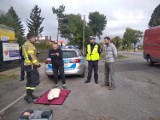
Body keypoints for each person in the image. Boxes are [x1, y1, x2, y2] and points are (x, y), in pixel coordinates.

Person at [22, 33, 41, 103]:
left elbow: (28, 54)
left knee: (29, 81)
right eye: (34, 38)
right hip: (32, 65)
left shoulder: (25, 44)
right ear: (31, 38)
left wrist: (36, 53)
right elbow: (31, 56)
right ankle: (28, 96)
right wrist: (37, 64)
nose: (35, 39)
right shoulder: (29, 45)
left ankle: (30, 95)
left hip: (27, 65)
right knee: (35, 81)